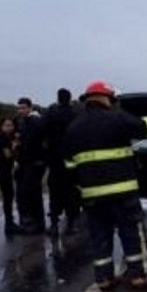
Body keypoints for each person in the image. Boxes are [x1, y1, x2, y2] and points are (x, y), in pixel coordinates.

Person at [63, 81, 147, 292]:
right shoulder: (117, 118)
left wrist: (83, 186)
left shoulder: (74, 127)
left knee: (99, 237)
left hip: (92, 196)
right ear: (107, 98)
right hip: (123, 193)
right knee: (131, 233)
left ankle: (103, 280)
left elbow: (68, 165)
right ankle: (138, 276)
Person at [43, 88, 81, 235]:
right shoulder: (75, 114)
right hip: (72, 160)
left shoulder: (51, 112)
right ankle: (71, 224)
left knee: (54, 193)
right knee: (72, 193)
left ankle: (53, 224)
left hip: (55, 161)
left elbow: (42, 129)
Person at [14, 97, 48, 234]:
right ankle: (33, 222)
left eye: (23, 108)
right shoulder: (23, 123)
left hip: (34, 163)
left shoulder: (35, 122)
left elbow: (40, 142)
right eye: (19, 108)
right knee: (28, 193)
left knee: (32, 193)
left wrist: (41, 159)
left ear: (30, 107)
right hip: (25, 162)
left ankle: (37, 223)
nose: (21, 110)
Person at [0, 117, 21, 236]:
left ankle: (10, 222)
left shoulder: (8, 137)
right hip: (1, 170)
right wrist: (14, 148)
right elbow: (8, 155)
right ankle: (9, 224)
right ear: (1, 126)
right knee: (8, 196)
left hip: (5, 170)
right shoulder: (1, 138)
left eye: (11, 125)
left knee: (9, 195)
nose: (9, 128)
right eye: (6, 125)